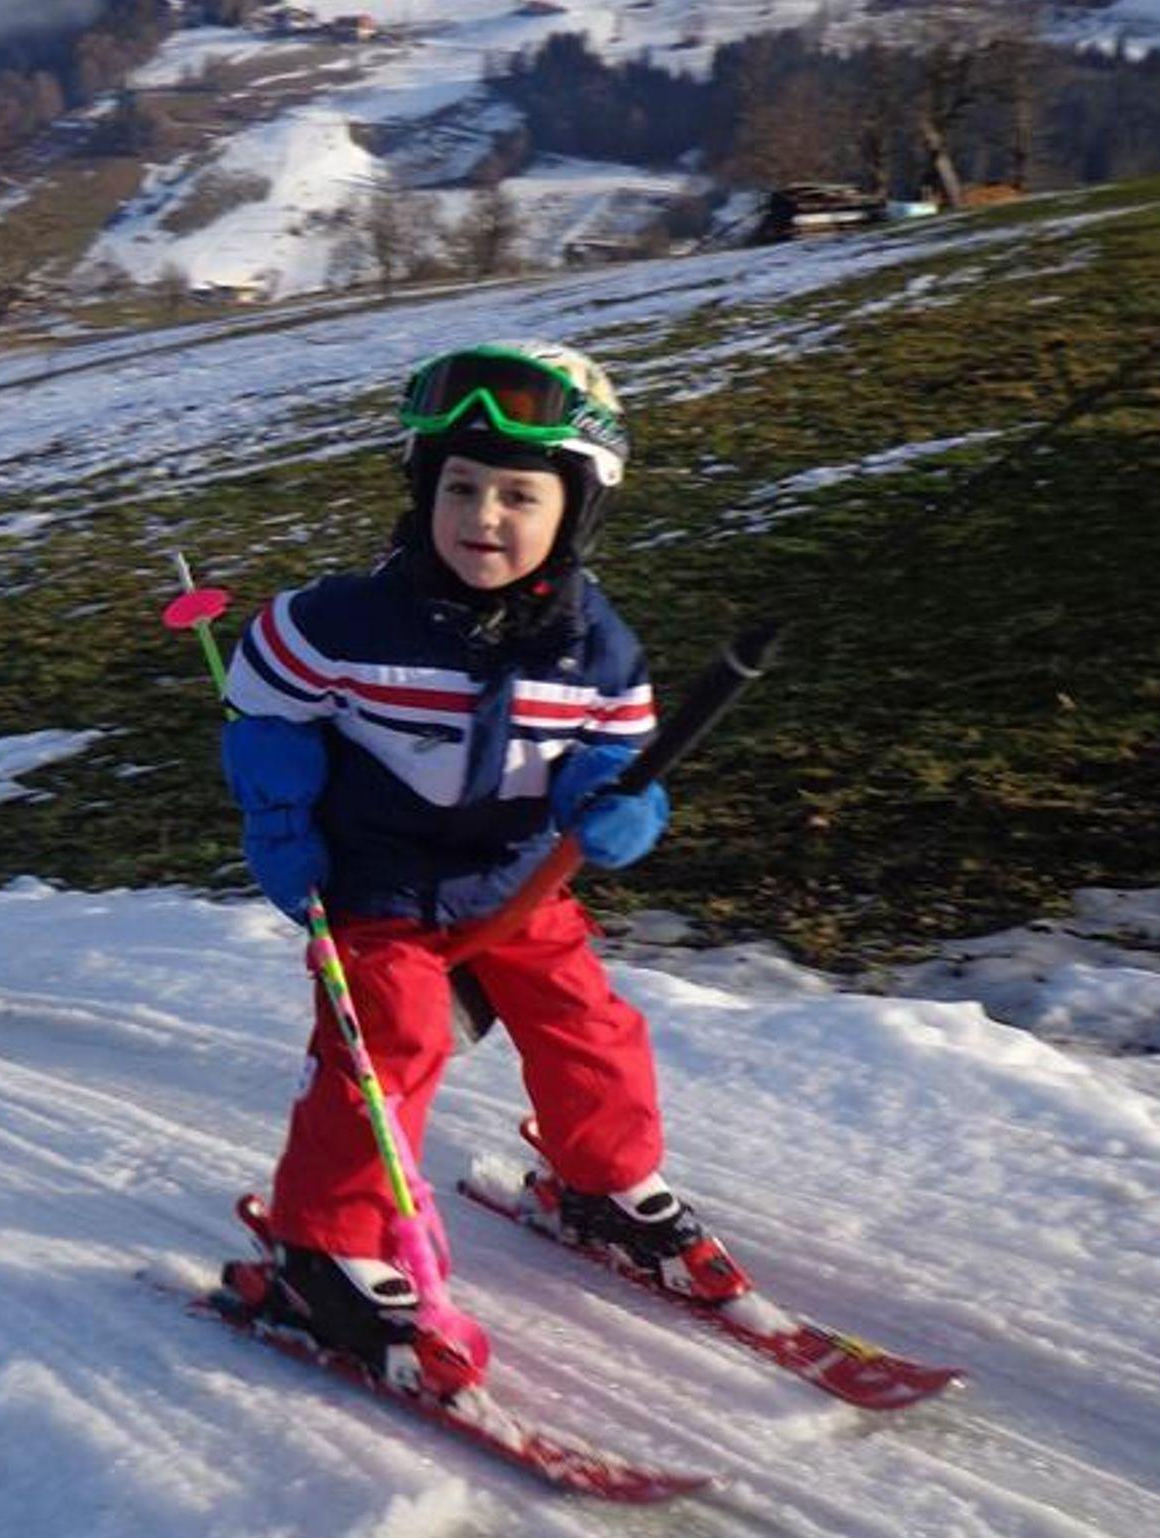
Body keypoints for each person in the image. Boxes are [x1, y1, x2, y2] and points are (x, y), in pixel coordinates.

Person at [219, 340, 749, 1393]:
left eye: (519, 494)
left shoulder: (596, 649)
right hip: (376, 876)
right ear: (424, 489)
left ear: (576, 510)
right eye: (459, 487)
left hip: (513, 875)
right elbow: (264, 705)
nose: (483, 517)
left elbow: (607, 755)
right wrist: (279, 815)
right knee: (392, 1039)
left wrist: (615, 805)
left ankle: (600, 1179)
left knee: (586, 1019)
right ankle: (322, 1249)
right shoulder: (338, 623)